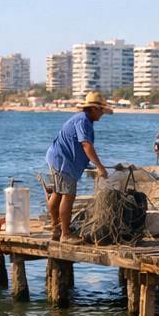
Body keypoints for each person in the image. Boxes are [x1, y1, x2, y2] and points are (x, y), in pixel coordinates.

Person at [45, 91, 111, 241]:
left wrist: (91, 167)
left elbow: (80, 148)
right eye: (101, 110)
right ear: (93, 109)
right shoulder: (83, 121)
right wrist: (101, 168)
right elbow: (86, 145)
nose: (102, 113)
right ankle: (65, 234)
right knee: (69, 195)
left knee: (58, 192)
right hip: (62, 162)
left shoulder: (82, 120)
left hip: (57, 159)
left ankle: (56, 227)